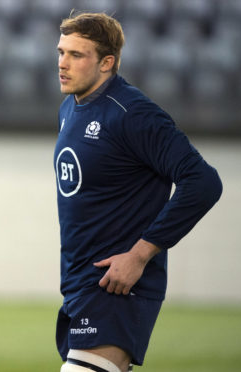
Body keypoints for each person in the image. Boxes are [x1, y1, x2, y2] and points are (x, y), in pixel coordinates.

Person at [54, 12, 222, 372]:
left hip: (116, 287)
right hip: (81, 282)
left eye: (76, 55)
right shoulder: (69, 108)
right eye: (61, 52)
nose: (62, 64)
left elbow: (203, 181)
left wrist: (139, 255)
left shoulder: (133, 113)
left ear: (107, 63)